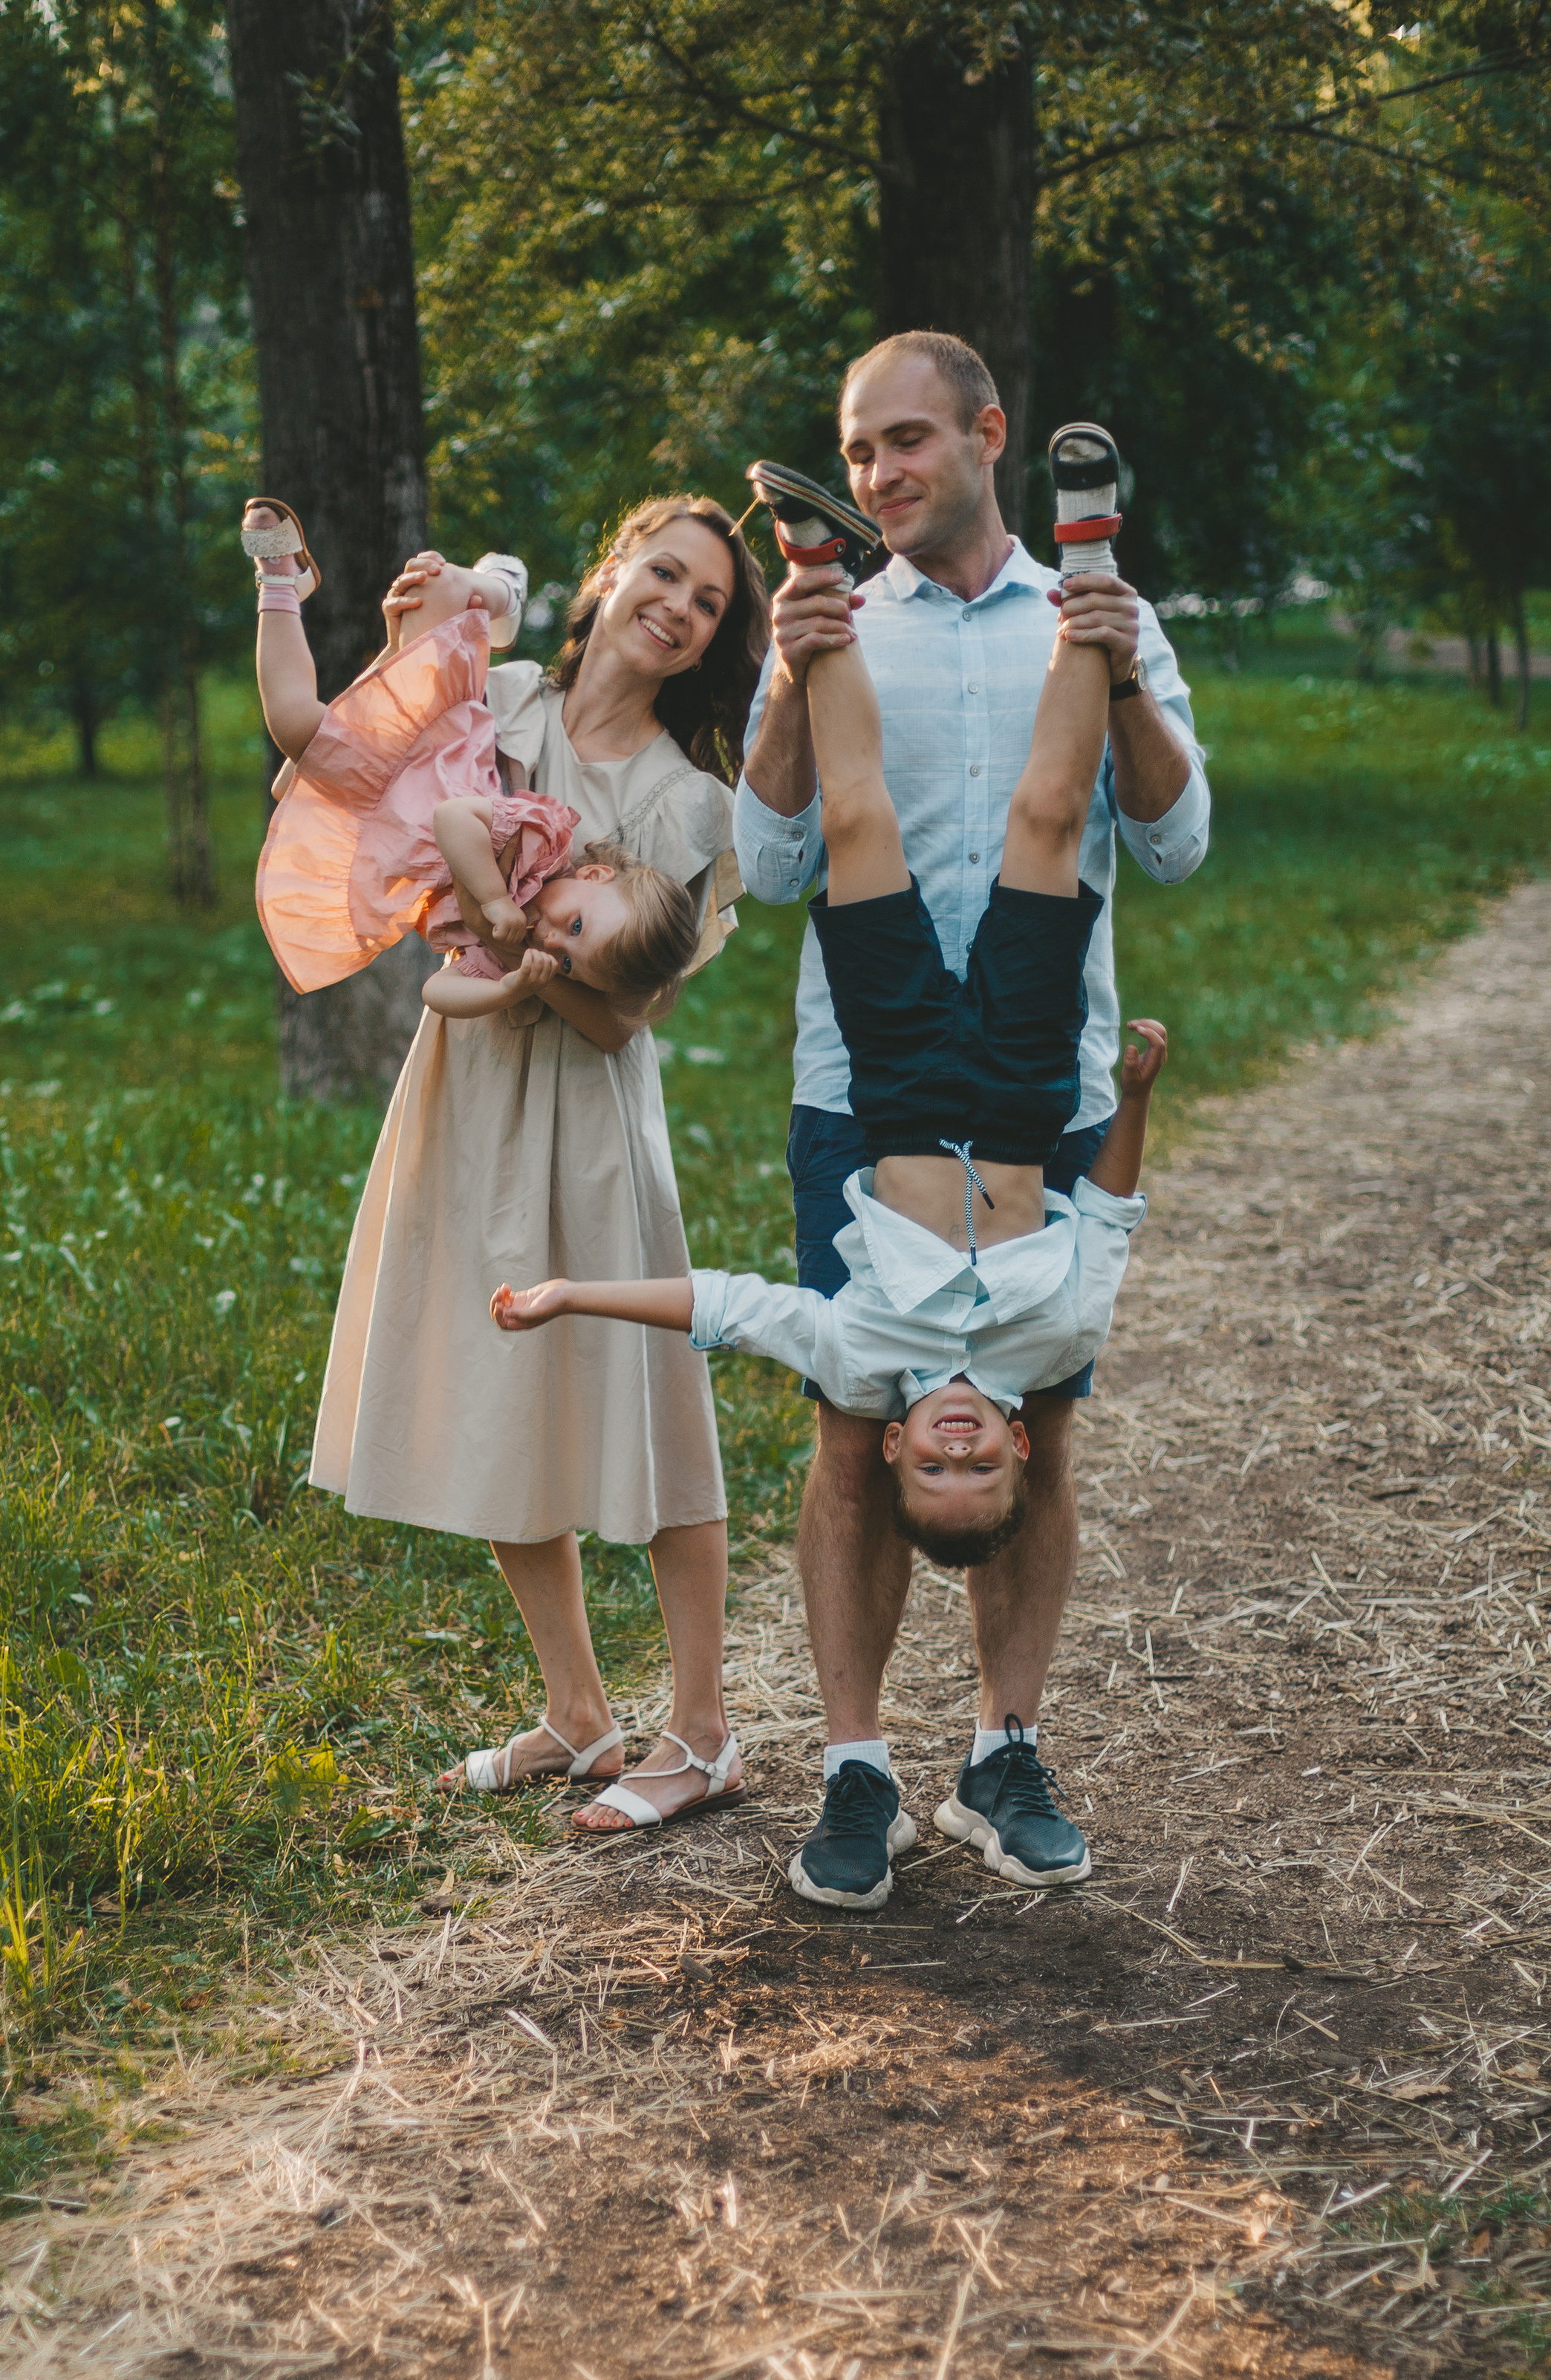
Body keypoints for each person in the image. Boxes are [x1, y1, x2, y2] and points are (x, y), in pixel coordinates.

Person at [490, 441, 1168, 1896]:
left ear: (899, 1447)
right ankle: (1091, 554)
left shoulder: (864, 1354)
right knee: (1048, 823)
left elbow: (723, 1305)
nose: (963, 1446)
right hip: (1032, 1075)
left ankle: (808, 567)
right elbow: (1108, 1209)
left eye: (938, 1463)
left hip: (901, 1081)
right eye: (977, 1462)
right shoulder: (1054, 1344)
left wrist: (568, 1293)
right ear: (1005, 1447)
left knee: (859, 826)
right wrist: (1132, 1096)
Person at [734, 331, 1212, 1909]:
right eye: (857, 452)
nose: (880, 475)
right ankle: (856, 1770)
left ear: (987, 433)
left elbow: (1176, 837)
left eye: (904, 445)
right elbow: (771, 859)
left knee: (1040, 1428)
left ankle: (1004, 1749)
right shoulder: (829, 618)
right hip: (856, 1089)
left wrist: (1120, 658)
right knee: (851, 1439)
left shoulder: (1097, 624)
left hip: (1037, 1085)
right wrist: (797, 673)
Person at [290, 497, 771, 1830]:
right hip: (467, 1096)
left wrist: (509, 933)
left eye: (709, 604)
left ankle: (704, 1729)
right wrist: (398, 653)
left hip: (593, 1121)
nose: (677, 606)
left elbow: (626, 1016)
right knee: (502, 1391)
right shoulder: (497, 703)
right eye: (663, 574)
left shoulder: (693, 805)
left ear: (711, 642)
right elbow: (361, 797)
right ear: (610, 573)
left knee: (652, 1414)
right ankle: (577, 1713)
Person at [243, 507, 696, 1033]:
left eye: (569, 962)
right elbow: (455, 820)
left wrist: (507, 986)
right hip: (428, 762)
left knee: (294, 747)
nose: (552, 941)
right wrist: (496, 899)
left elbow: (436, 991)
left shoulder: (511, 946)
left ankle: (287, 584)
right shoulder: (544, 842)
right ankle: (500, 589)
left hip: (384, 826)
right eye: (575, 925)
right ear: (594, 875)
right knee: (423, 596)